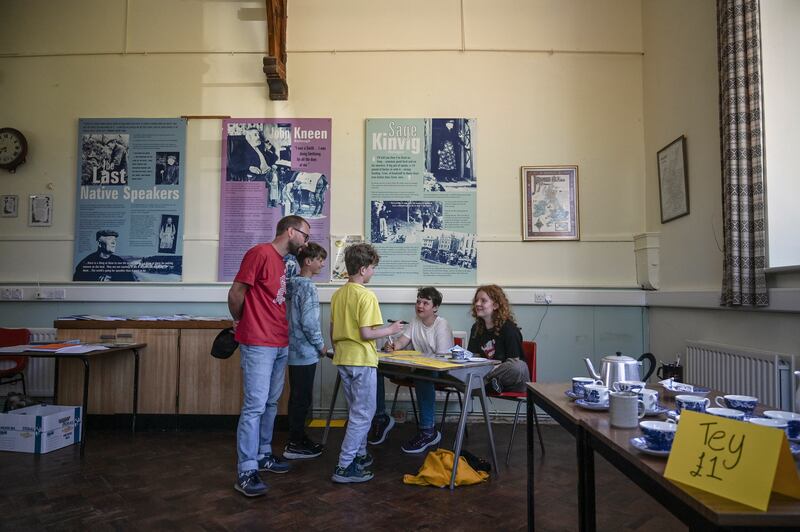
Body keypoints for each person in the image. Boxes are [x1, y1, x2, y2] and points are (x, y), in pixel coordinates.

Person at [228, 214, 311, 497]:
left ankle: (263, 454)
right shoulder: (260, 253)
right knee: (254, 405)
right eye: (305, 235)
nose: (306, 241)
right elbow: (237, 291)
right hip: (258, 341)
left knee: (271, 402)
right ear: (291, 231)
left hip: (279, 341)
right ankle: (246, 469)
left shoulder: (283, 262)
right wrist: (243, 321)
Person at [329, 244, 404, 483]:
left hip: (343, 358)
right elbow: (366, 333)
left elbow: (333, 331)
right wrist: (391, 329)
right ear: (363, 269)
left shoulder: (338, 294)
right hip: (361, 360)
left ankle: (360, 455)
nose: (373, 272)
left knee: (356, 412)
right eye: (372, 268)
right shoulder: (366, 295)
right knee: (364, 415)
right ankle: (345, 465)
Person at [378, 287, 453, 453]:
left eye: (425, 303)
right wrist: (392, 346)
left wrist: (417, 361)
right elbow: (401, 343)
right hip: (417, 367)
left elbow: (443, 359)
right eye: (418, 301)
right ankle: (380, 417)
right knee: (376, 367)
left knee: (423, 373)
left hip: (440, 372)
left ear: (435, 308)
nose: (420, 305)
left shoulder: (442, 324)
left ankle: (428, 431)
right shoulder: (415, 321)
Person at [284, 241, 328, 460]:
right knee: (302, 399)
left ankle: (296, 438)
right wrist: (320, 345)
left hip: (291, 349)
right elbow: (309, 322)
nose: (322, 264)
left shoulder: (291, 284)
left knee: (297, 397)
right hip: (304, 351)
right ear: (308, 262)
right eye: (319, 259)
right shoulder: (308, 286)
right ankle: (295, 443)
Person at [467, 285, 528, 393]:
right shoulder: (476, 328)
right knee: (462, 369)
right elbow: (472, 357)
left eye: (483, 301)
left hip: (512, 380)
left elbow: (514, 362)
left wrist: (488, 370)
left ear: (495, 305)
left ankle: (483, 383)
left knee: (519, 367)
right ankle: (489, 384)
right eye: (476, 300)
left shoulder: (510, 329)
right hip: (486, 375)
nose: (477, 304)